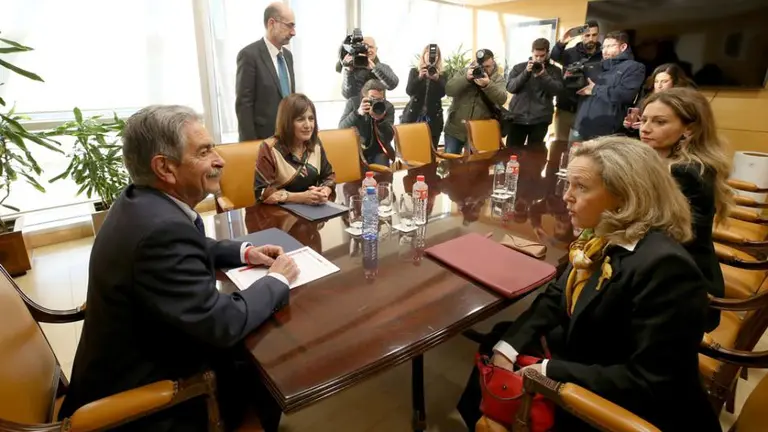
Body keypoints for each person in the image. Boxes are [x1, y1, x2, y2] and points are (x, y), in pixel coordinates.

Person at [58, 105, 299, 432]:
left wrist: (244, 252)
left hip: (123, 362)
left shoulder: (140, 202)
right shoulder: (161, 233)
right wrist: (276, 280)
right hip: (144, 405)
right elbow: (221, 323)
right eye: (204, 151)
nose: (220, 160)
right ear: (165, 168)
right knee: (271, 370)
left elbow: (186, 245)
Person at [457, 137, 720, 432]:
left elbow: (651, 381)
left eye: (580, 187)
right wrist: (508, 349)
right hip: (595, 352)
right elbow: (557, 297)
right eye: (568, 185)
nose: (566, 197)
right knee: (499, 338)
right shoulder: (600, 236)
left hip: (624, 410)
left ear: (625, 196)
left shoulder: (666, 268)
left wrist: (549, 370)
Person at [640, 87, 732, 331]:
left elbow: (673, 236)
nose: (645, 128)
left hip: (684, 288)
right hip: (665, 270)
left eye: (659, 122)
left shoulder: (686, 172)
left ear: (689, 129)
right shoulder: (666, 160)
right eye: (644, 119)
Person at [255, 93, 336, 205]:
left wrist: (324, 191)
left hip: (314, 211)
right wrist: (300, 197)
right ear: (287, 122)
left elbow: (328, 176)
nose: (308, 125)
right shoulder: (269, 148)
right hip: (279, 216)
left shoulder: (315, 143)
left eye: (311, 119)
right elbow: (261, 192)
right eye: (300, 119)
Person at [235, 3, 296, 141]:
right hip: (262, 141)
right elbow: (244, 105)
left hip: (289, 139)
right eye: (289, 25)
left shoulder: (288, 56)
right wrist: (251, 146)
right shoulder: (249, 55)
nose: (293, 32)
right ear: (272, 23)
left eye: (294, 26)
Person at [574, 31, 645, 141]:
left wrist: (595, 89)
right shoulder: (596, 66)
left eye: (609, 46)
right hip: (583, 126)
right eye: (604, 47)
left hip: (608, 131)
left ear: (623, 47)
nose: (605, 50)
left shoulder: (634, 67)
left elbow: (625, 95)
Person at [443, 48, 507, 155]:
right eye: (481, 67)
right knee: (451, 165)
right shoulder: (464, 72)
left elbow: (502, 99)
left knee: (476, 167)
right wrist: (466, 79)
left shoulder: (497, 79)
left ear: (493, 63)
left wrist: (487, 85)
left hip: (479, 132)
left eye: (487, 67)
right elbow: (449, 90)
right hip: (455, 129)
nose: (483, 70)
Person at [550, 20, 603, 143]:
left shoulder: (604, 55)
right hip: (566, 106)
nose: (591, 38)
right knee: (560, 144)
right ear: (582, 35)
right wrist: (561, 42)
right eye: (587, 35)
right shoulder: (570, 53)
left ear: (598, 35)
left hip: (588, 109)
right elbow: (554, 56)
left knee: (581, 147)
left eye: (594, 35)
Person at [506, 38, 563, 149]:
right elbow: (511, 88)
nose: (538, 58)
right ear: (532, 52)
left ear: (547, 53)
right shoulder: (519, 68)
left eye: (542, 56)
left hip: (540, 120)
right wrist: (526, 73)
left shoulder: (554, 70)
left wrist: (544, 75)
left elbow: (557, 90)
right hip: (518, 119)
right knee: (511, 153)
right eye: (536, 55)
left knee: (535, 157)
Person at [623, 63, 694, 135]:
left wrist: (646, 125)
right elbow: (635, 126)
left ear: (675, 82)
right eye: (656, 81)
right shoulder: (646, 101)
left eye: (664, 81)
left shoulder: (683, 102)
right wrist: (630, 126)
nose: (659, 85)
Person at [339, 79, 396, 167]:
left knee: (383, 172)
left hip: (379, 150)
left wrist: (380, 121)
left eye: (379, 99)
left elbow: (388, 138)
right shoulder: (353, 103)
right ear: (364, 96)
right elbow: (341, 128)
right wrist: (357, 113)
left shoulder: (387, 107)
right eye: (372, 98)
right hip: (356, 150)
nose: (376, 102)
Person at [401, 43, 447, 150]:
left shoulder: (442, 74)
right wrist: (419, 77)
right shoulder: (414, 71)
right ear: (423, 55)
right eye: (428, 54)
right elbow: (409, 91)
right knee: (413, 150)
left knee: (431, 151)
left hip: (433, 118)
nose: (431, 57)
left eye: (435, 55)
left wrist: (437, 79)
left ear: (438, 57)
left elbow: (444, 93)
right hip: (414, 116)